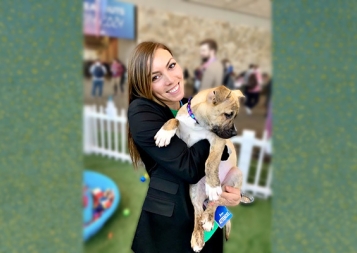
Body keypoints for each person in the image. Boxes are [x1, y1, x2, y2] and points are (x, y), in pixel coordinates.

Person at [127, 41, 241, 253]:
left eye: (171, 66)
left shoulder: (190, 106)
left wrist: (230, 191)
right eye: (155, 76)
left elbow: (223, 149)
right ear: (143, 84)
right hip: (171, 227)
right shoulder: (142, 112)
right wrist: (216, 137)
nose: (171, 79)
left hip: (208, 218)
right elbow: (189, 167)